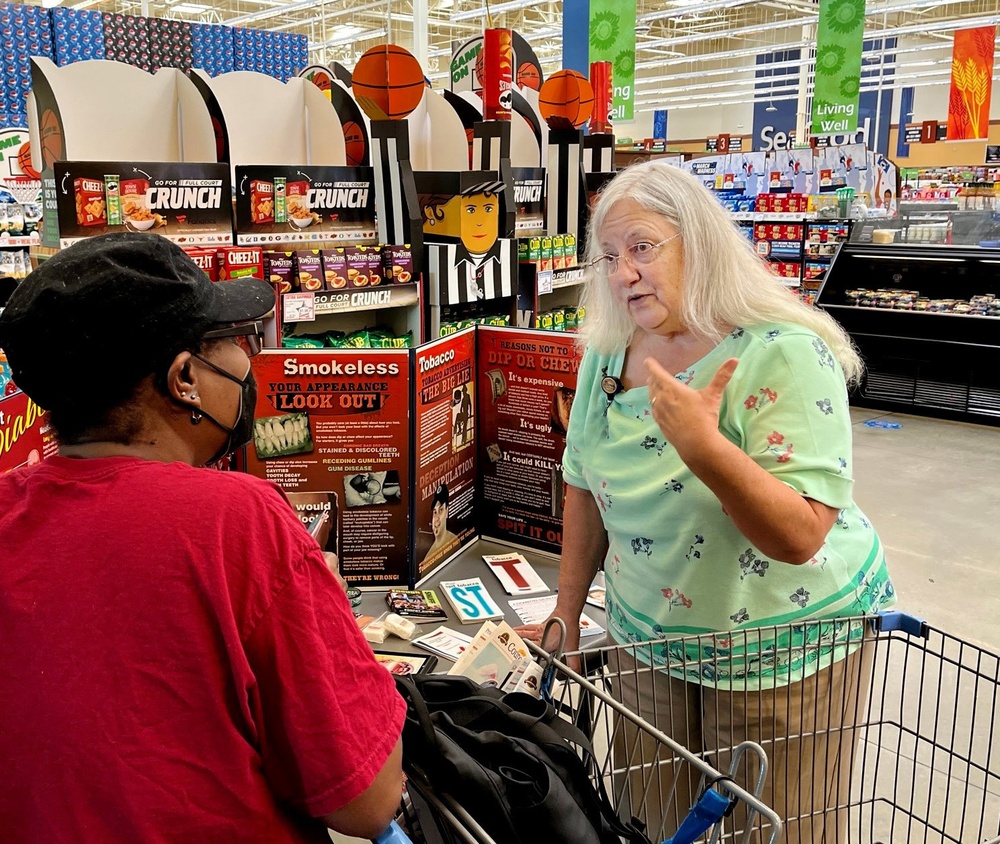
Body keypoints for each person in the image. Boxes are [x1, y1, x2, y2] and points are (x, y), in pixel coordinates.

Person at [516, 162, 895, 843]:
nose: (623, 272)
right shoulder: (608, 352)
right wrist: (567, 613)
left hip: (780, 645)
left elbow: (800, 534)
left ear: (700, 240)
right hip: (648, 635)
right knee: (650, 820)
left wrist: (704, 447)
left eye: (642, 247)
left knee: (776, 827)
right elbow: (582, 484)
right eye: (610, 256)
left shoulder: (783, 352)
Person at [0, 233, 405, 842]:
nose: (248, 361)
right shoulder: (238, 524)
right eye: (234, 342)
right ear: (184, 376)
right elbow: (366, 800)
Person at [419, 482, 459, 572]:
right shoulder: (427, 560)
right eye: (435, 512)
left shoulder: (454, 541)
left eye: (441, 510)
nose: (436, 519)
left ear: (447, 511)